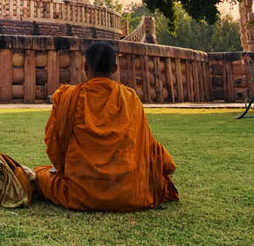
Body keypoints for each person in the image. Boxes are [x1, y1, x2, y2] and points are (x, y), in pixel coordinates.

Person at [31, 41, 179, 212]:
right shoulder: (130, 98)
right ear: (115, 68)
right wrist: (166, 164)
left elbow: (53, 145)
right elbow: (148, 145)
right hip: (131, 193)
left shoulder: (68, 97)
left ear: (85, 66)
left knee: (40, 174)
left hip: (81, 193)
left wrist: (63, 168)